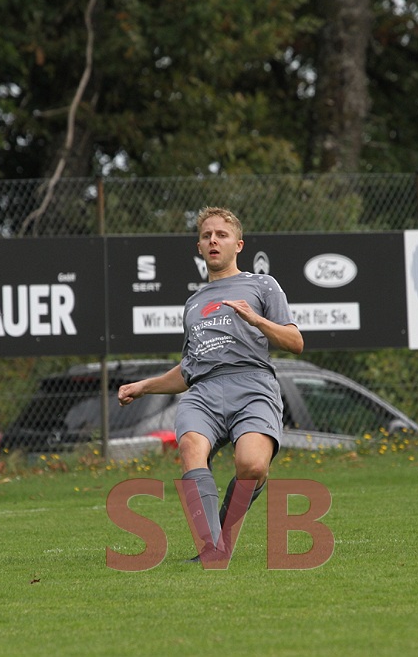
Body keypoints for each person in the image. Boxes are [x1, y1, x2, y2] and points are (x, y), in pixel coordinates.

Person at [117, 206, 304, 562]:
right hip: (203, 392)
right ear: (200, 247)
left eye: (221, 235)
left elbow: (295, 342)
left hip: (253, 387)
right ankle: (212, 551)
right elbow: (189, 369)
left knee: (252, 467)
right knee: (191, 446)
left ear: (238, 244)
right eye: (206, 236)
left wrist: (256, 319)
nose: (213, 241)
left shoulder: (262, 285)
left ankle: (221, 541)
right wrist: (143, 386)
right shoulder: (193, 303)